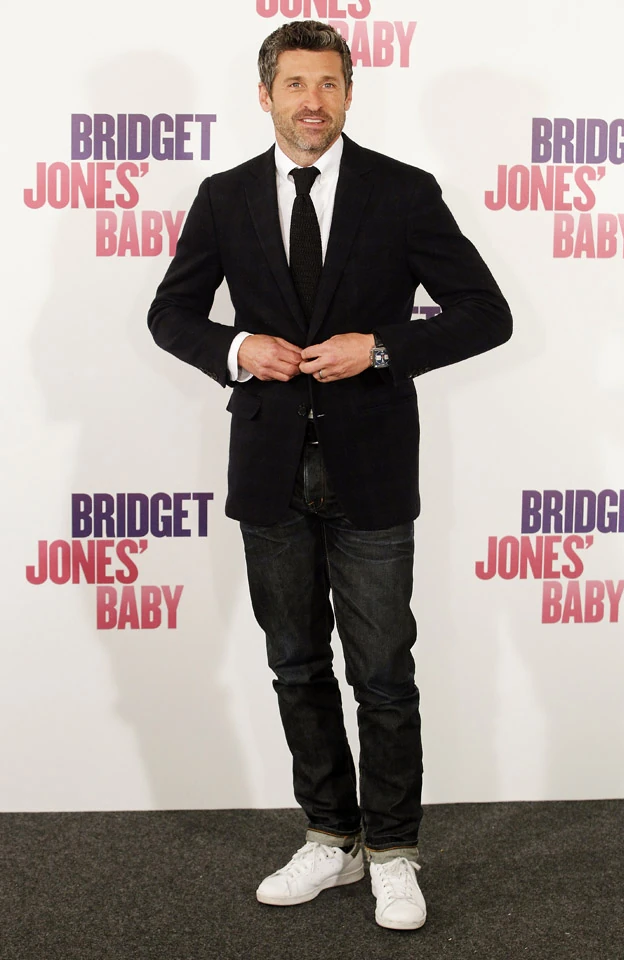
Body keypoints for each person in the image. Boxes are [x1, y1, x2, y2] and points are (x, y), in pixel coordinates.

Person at [148, 20, 511, 931]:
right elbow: (171, 312)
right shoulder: (225, 196)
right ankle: (331, 837)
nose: (313, 102)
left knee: (383, 673)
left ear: (350, 93)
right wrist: (237, 348)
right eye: (296, 84)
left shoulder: (402, 191)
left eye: (329, 84)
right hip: (269, 467)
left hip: (371, 468)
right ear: (264, 93)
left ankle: (392, 851)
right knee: (296, 665)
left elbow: (485, 312)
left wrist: (380, 347)